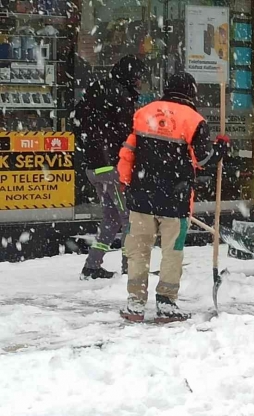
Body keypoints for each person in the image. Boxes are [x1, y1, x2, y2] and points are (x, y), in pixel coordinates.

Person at [117, 72, 230, 323]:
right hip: (174, 200)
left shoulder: (143, 113)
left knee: (138, 252)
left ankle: (135, 303)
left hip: (141, 197)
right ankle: (166, 303)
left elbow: (127, 153)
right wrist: (221, 148)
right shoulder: (194, 120)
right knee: (172, 252)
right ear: (191, 92)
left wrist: (126, 183)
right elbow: (203, 161)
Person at [76, 55, 145, 280]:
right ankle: (130, 268)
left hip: (93, 167)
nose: (140, 83)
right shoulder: (121, 97)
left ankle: (92, 266)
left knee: (112, 218)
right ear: (131, 77)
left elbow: (80, 124)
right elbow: (127, 133)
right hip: (111, 168)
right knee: (128, 219)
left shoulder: (96, 91)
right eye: (139, 78)